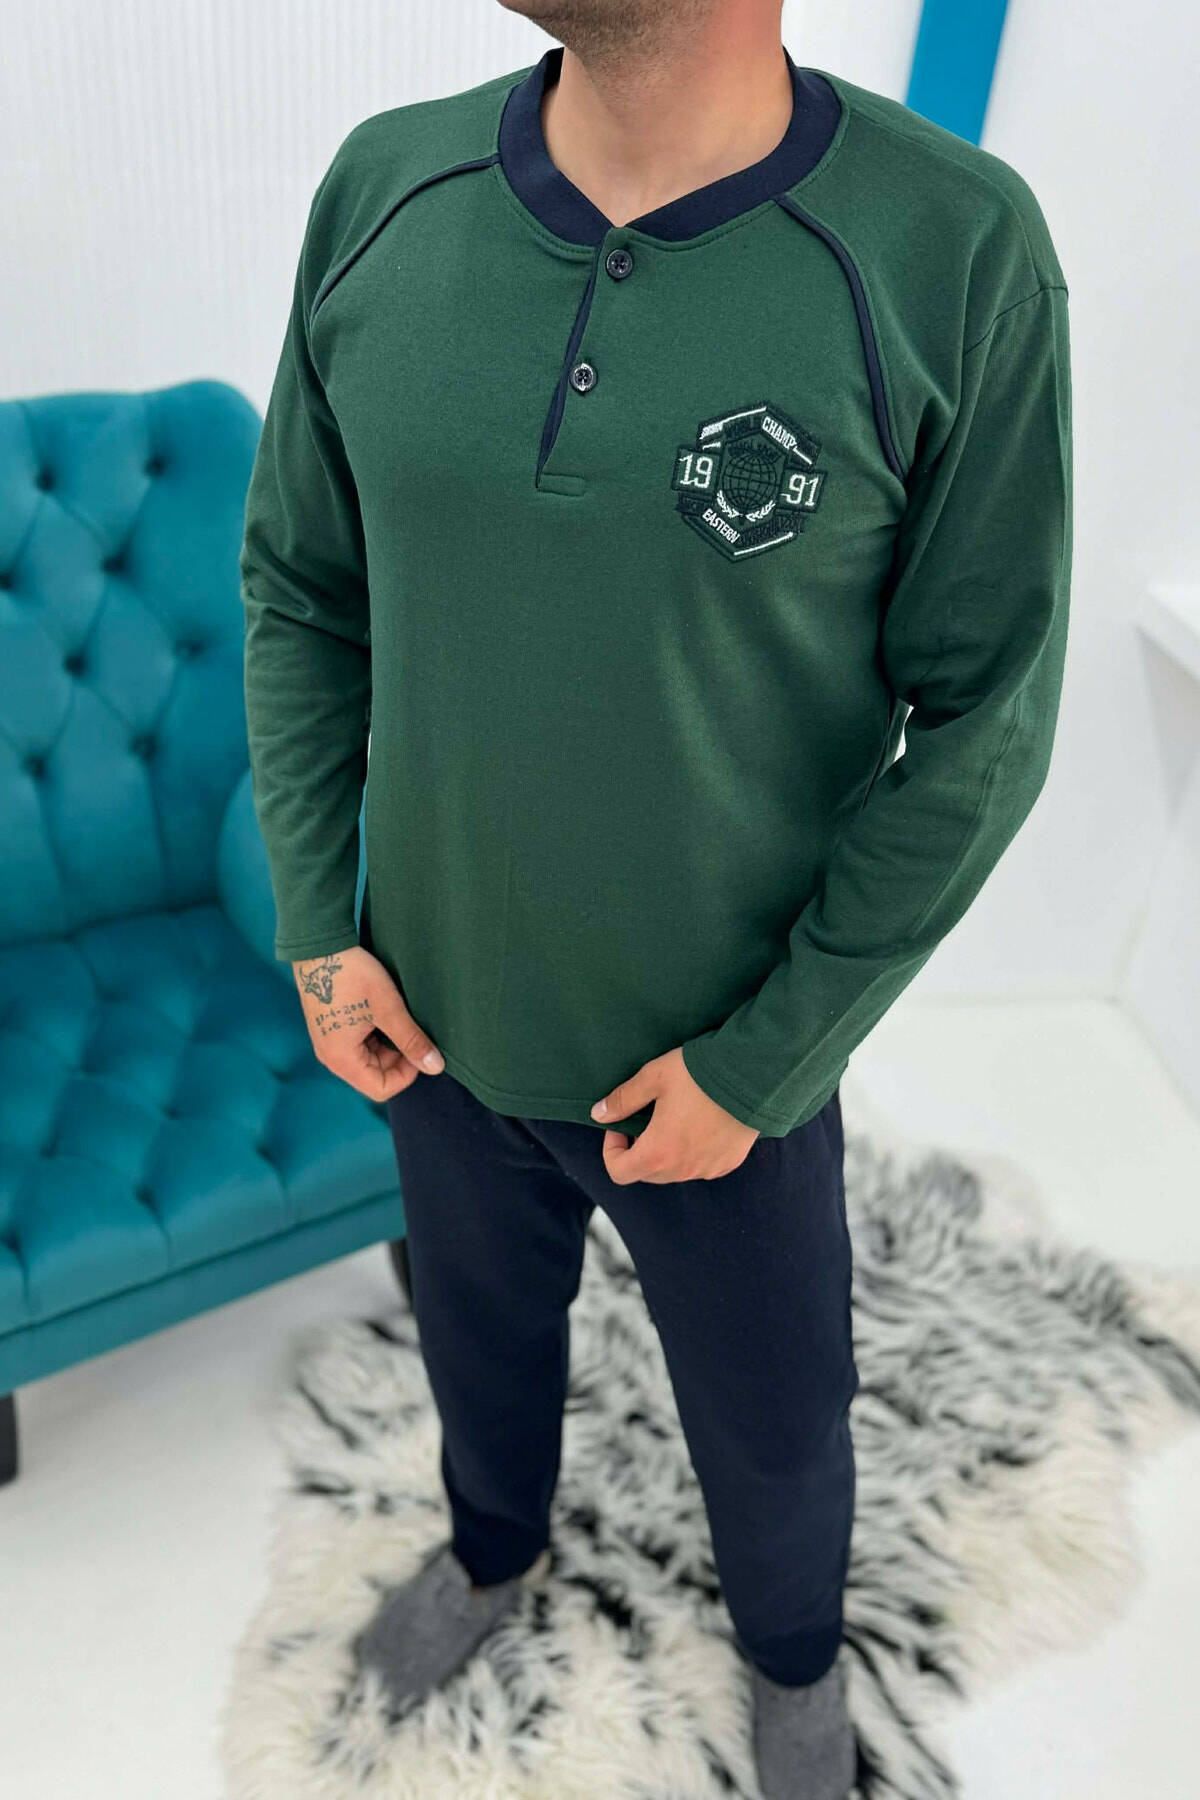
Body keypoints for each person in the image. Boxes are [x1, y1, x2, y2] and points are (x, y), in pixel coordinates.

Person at [239, 1, 1072, 1792]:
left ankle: (792, 1659)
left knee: (775, 1420)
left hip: (718, 1070)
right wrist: (323, 924)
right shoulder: (387, 189)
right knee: (476, 1340)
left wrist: (764, 1062)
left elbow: (988, 720)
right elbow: (304, 588)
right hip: (430, 1017)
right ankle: (491, 1550)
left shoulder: (949, 248)